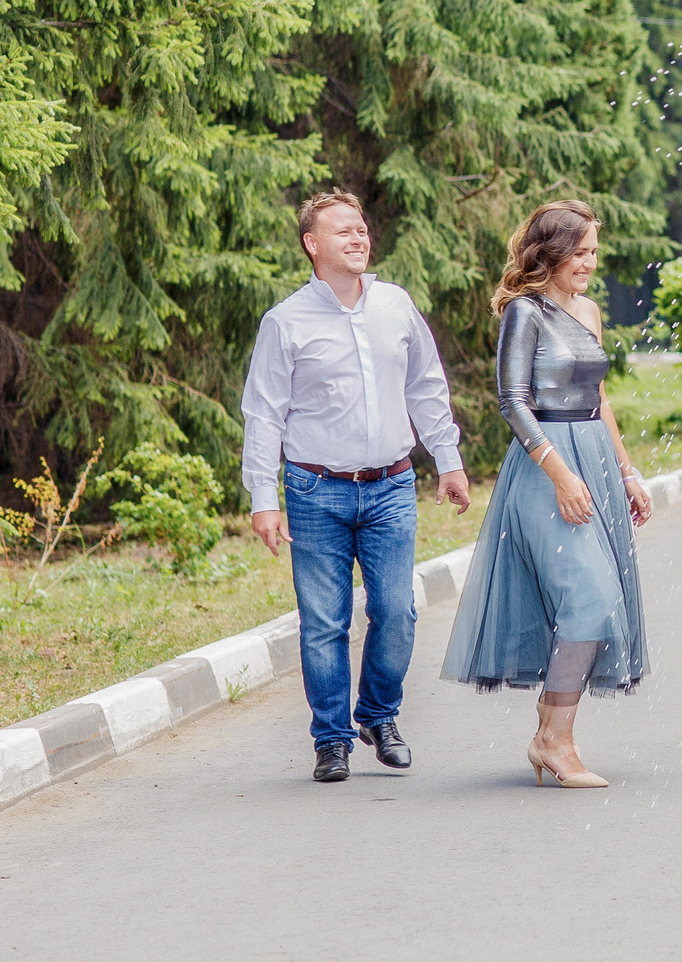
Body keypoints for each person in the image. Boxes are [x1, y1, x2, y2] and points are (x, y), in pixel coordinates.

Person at [242, 189, 470, 784]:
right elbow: (264, 414)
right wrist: (263, 499)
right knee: (324, 622)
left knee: (397, 612)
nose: (358, 237)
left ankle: (376, 715)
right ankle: (331, 738)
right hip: (316, 491)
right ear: (312, 245)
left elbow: (426, 386)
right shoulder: (285, 322)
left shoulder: (396, 306)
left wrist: (448, 460)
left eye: (362, 227)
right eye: (342, 230)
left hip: (392, 486)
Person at [440, 200, 651, 789]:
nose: (589, 264)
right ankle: (554, 740)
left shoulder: (587, 309)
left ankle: (553, 731)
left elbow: (600, 398)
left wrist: (628, 472)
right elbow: (514, 402)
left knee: (598, 600)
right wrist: (561, 474)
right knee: (590, 594)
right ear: (550, 252)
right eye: (579, 253)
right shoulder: (524, 313)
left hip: (597, 462)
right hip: (544, 468)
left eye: (592, 253)